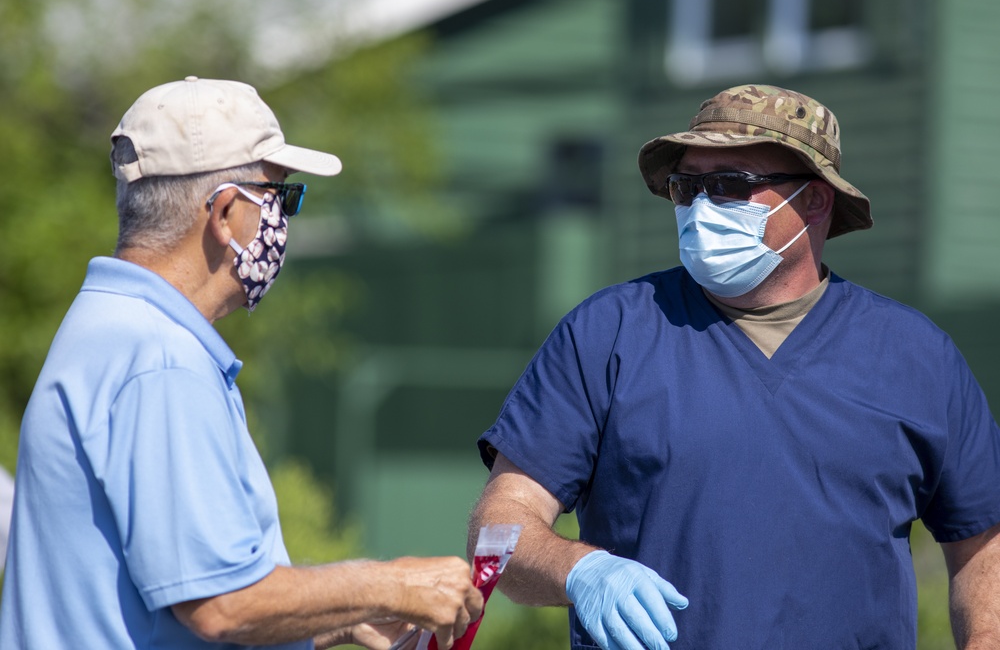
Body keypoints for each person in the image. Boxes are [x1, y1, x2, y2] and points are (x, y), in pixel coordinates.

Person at [467, 84, 1000, 649]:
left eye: (728, 186)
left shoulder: (915, 355)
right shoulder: (609, 333)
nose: (700, 207)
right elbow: (498, 528)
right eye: (686, 187)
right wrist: (580, 569)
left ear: (815, 202)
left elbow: (983, 544)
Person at [0, 77, 483, 650]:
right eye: (281, 199)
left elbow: (168, 590)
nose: (284, 222)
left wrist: (342, 615)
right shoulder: (161, 360)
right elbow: (221, 606)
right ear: (226, 212)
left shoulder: (109, 323)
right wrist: (392, 585)